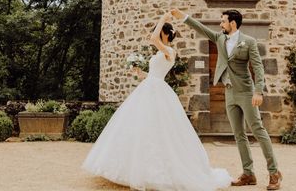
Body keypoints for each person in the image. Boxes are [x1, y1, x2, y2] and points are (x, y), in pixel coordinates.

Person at [82, 11, 231, 191]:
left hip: (157, 91)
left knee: (159, 128)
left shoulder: (169, 51)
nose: (157, 35)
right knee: (142, 126)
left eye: (160, 32)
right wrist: (140, 73)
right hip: (150, 86)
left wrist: (163, 19)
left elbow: (153, 39)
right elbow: (154, 74)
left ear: (165, 34)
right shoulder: (162, 52)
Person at [170, 8, 282, 190]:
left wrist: (258, 91)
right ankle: (248, 173)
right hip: (229, 93)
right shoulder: (220, 38)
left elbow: (258, 67)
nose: (220, 24)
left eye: (223, 21)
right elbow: (201, 28)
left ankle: (274, 172)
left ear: (232, 23)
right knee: (239, 135)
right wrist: (183, 17)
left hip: (246, 92)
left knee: (258, 131)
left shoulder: (249, 42)